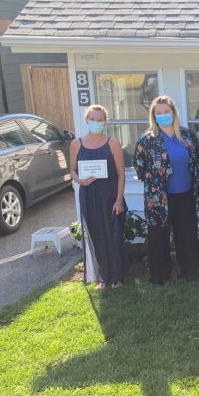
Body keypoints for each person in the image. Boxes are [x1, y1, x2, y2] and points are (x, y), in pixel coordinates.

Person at [133, 95, 199, 285]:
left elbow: (197, 159)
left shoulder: (188, 136)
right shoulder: (146, 140)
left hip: (186, 194)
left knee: (187, 235)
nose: (163, 115)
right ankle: (160, 275)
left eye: (167, 112)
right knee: (158, 237)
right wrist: (155, 182)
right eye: (159, 113)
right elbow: (139, 168)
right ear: (154, 116)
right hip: (159, 197)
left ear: (173, 113)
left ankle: (189, 271)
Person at [69, 105, 127, 290]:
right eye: (93, 119)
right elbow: (72, 170)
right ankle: (104, 277)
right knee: (96, 237)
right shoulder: (76, 144)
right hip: (88, 196)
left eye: (100, 119)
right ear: (86, 120)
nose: (96, 122)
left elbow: (121, 174)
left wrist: (119, 200)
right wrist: (80, 181)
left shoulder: (113, 143)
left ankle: (118, 277)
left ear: (105, 121)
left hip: (111, 197)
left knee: (114, 237)